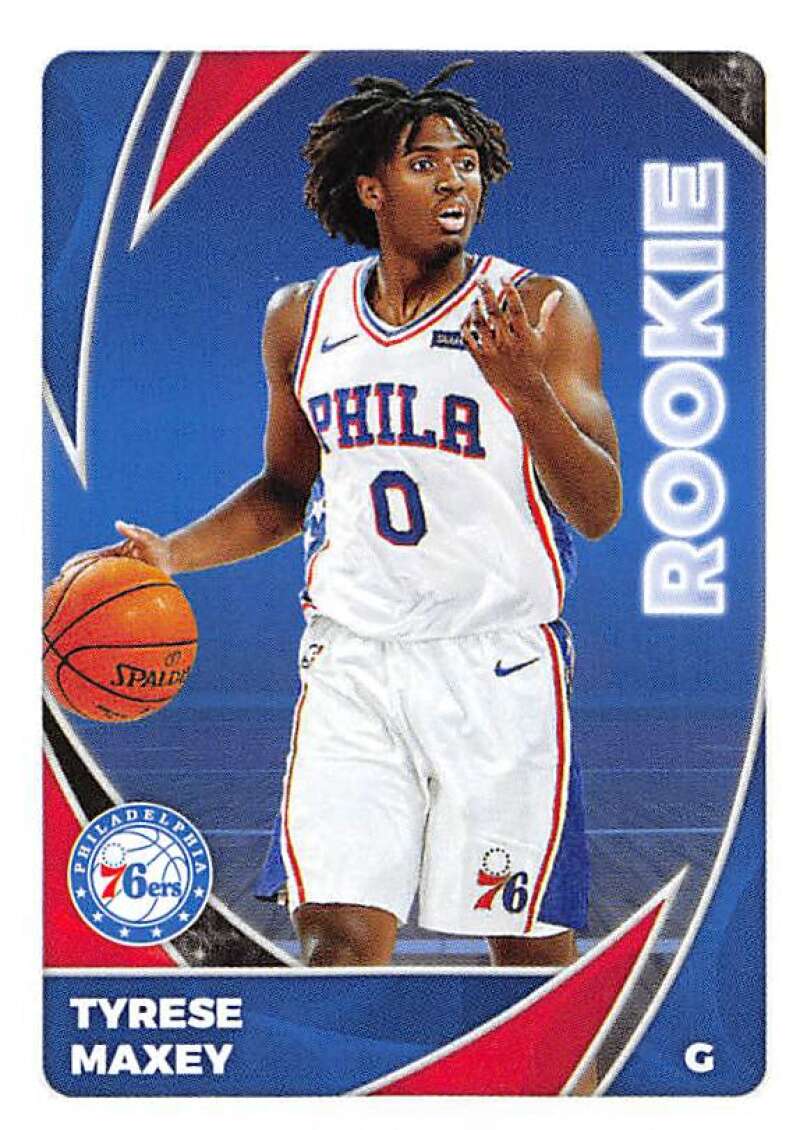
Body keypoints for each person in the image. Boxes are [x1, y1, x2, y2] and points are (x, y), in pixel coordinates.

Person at [68, 61, 621, 973]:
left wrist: (525, 391)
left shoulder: (536, 309)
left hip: (497, 667)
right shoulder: (302, 316)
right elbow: (287, 491)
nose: (455, 181)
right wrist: (172, 555)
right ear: (371, 189)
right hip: (352, 663)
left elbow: (598, 508)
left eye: (467, 163)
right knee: (337, 944)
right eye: (425, 163)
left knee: (528, 956)